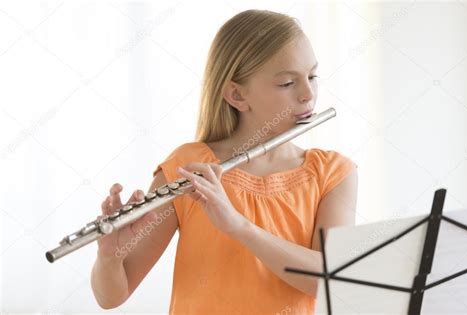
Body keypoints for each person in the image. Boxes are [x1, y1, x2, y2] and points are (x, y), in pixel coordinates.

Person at [91, 9, 358, 314]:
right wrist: (109, 258)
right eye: (287, 83)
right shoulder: (189, 167)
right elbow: (111, 296)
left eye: (312, 76)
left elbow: (330, 281)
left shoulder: (332, 173)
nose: (308, 94)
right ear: (236, 95)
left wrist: (238, 226)